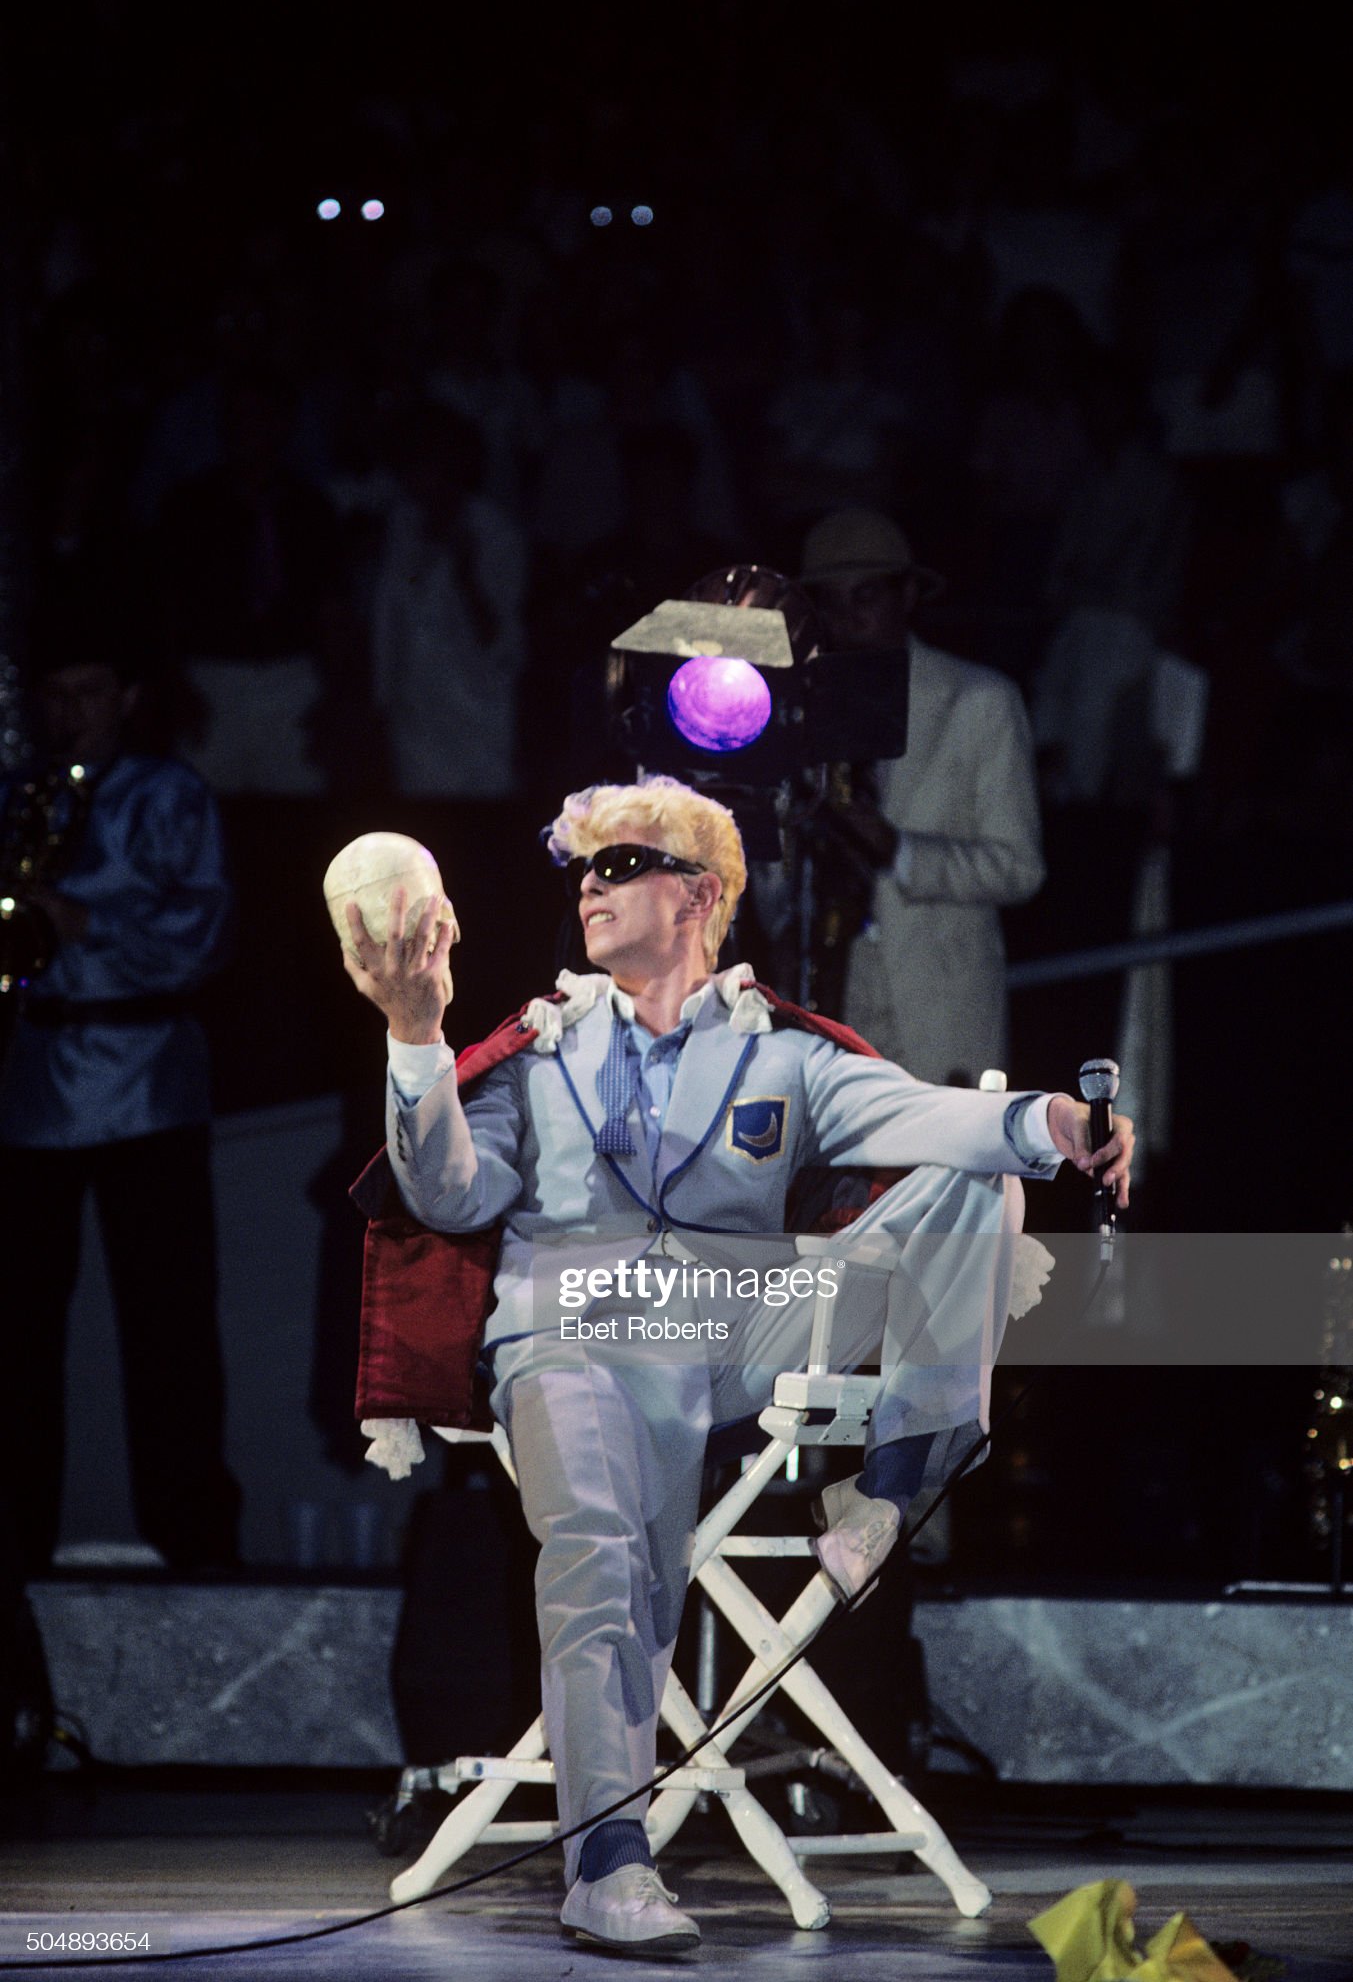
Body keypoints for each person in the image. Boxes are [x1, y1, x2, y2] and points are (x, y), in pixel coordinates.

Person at [343, 776, 1131, 1952]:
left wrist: (1053, 1124)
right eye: (585, 869)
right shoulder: (541, 1042)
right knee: (605, 1548)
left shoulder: (781, 1051)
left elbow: (929, 1116)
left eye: (620, 865)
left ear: (699, 893)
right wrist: (417, 1034)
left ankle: (889, 1486)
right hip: (575, 1332)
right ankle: (607, 1864)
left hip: (736, 1324)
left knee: (981, 1178)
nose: (591, 887)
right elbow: (449, 1191)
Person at [0, 629, 241, 1573]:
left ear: (130, 695)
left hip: (147, 1082)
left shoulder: (171, 794)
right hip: (31, 1087)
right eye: (55, 694)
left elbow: (206, 933)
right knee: (18, 1332)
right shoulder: (18, 793)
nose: (70, 712)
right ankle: (17, 1548)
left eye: (89, 691)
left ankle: (194, 1545)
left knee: (169, 1326)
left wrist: (80, 919)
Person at [800, 508, 1046, 1086]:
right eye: (831, 602)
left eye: (865, 595)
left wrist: (897, 850)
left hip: (939, 1010)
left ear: (907, 594)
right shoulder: (797, 704)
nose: (848, 617)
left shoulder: (979, 698)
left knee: (947, 1174)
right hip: (826, 1004)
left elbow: (1020, 868)